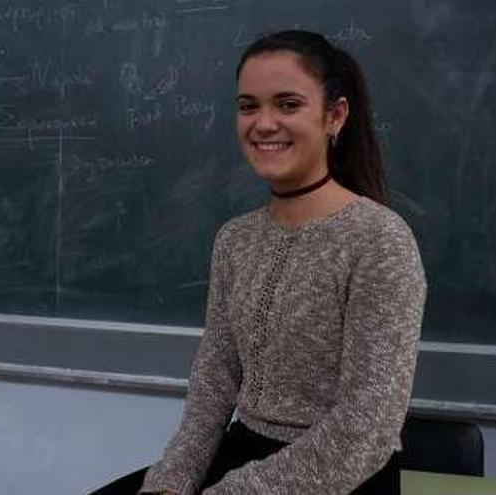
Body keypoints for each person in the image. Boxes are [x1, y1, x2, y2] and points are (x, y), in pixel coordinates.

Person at [91, 29, 426, 495]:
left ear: (336, 116)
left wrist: (232, 493)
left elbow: (364, 429)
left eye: (288, 104)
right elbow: (216, 378)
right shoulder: (235, 239)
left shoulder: (381, 241)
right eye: (249, 106)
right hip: (240, 454)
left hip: (339, 476)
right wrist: (171, 481)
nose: (264, 123)